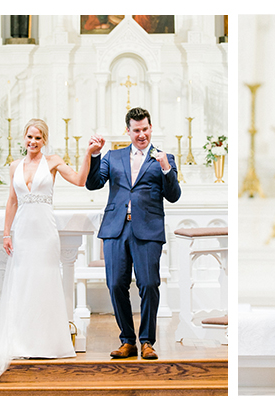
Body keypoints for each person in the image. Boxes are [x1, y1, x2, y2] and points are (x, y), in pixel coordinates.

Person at [0, 119, 99, 386]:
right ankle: (21, 341)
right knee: (23, 284)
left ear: (45, 140)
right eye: (29, 137)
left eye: (38, 138)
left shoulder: (52, 162)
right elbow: (12, 201)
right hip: (24, 234)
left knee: (45, 283)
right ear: (24, 138)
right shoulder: (14, 166)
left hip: (45, 233)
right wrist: (6, 232)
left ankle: (49, 343)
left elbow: (80, 180)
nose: (33, 142)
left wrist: (88, 154)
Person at [85, 107, 181, 361]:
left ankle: (147, 341)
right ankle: (127, 340)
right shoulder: (112, 157)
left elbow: (174, 196)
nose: (141, 134)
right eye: (136, 130)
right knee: (116, 284)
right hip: (116, 229)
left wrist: (165, 169)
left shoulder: (165, 157)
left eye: (145, 129)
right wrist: (95, 156)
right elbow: (93, 183)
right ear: (127, 131)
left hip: (147, 229)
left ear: (151, 128)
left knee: (149, 284)